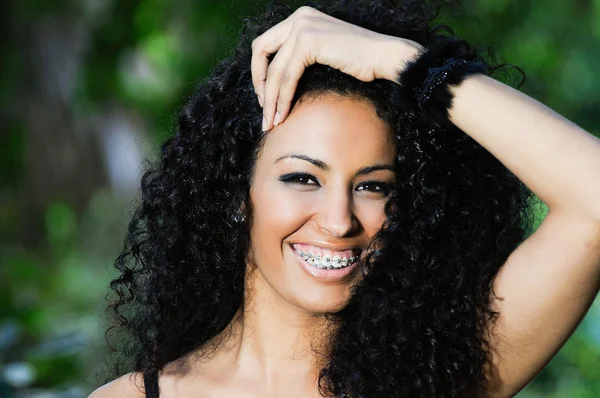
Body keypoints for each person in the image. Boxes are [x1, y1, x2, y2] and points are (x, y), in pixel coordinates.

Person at [89, 0, 600, 397]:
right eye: (303, 179)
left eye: (372, 186)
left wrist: (402, 63)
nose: (338, 222)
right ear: (235, 194)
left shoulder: (439, 378)